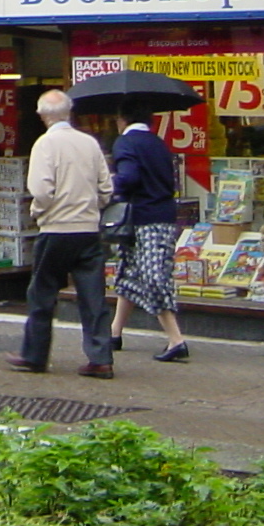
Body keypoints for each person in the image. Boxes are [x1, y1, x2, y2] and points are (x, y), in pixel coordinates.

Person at [8, 89, 116, 378]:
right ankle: (101, 357)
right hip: (88, 230)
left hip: (56, 229)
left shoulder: (45, 144)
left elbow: (41, 189)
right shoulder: (89, 143)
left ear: (43, 115)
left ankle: (35, 355)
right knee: (93, 297)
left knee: (42, 294)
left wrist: (39, 211)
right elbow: (106, 188)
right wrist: (93, 207)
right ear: (69, 113)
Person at [109, 108, 191, 363]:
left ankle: (176, 339)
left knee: (153, 276)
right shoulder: (159, 143)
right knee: (130, 271)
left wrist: (110, 183)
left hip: (141, 217)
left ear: (121, 119)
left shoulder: (126, 142)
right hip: (164, 215)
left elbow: (129, 178)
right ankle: (114, 332)